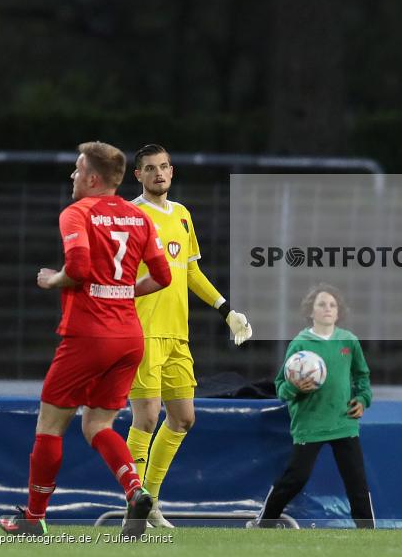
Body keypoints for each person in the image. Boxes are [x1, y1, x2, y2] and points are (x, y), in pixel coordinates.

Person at [0, 142, 172, 537]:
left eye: (77, 170)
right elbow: (164, 276)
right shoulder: (140, 217)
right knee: (98, 424)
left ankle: (34, 517)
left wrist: (52, 280)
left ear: (94, 178)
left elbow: (76, 268)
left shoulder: (76, 213)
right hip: (129, 337)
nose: (73, 176)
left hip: (88, 335)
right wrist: (124, 291)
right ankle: (135, 490)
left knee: (50, 425)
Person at [124, 144, 252, 528]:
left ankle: (152, 501)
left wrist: (226, 310)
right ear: (138, 176)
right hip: (142, 333)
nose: (158, 174)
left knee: (182, 418)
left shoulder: (181, 215)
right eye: (150, 168)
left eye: (163, 167)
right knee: (145, 419)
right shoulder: (132, 215)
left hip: (178, 336)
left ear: (172, 171)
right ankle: (134, 503)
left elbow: (190, 271)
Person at [250, 284, 374, 529]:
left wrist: (362, 400)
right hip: (310, 423)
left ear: (339, 312)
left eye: (332, 305)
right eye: (321, 304)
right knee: (295, 479)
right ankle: (264, 523)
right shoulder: (299, 344)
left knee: (357, 483)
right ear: (311, 311)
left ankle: (368, 532)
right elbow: (280, 387)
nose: (327, 309)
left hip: (343, 421)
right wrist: (296, 387)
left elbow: (363, 378)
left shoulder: (349, 341)